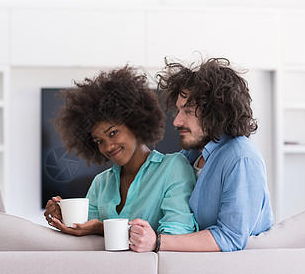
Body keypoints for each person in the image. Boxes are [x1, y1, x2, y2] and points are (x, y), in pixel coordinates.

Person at [129, 57, 274, 252]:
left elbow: (231, 238)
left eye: (188, 111)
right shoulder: (190, 156)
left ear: (217, 114)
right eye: (179, 110)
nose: (177, 121)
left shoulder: (241, 159)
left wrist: (158, 242)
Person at [44, 66, 198, 247]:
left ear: (136, 123)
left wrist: (102, 228)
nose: (108, 146)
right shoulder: (100, 184)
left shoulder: (173, 168)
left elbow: (175, 236)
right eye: (99, 141)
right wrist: (64, 218)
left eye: (113, 133)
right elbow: (86, 239)